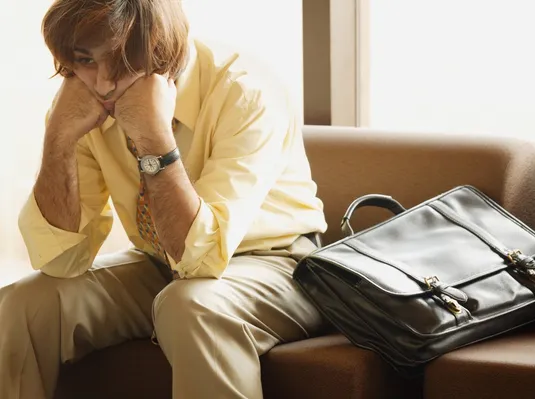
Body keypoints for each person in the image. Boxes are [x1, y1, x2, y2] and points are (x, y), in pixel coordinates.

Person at [0, 0, 328, 398]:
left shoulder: (246, 91)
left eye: (120, 63)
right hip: (162, 263)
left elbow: (200, 262)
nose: (103, 84)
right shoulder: (87, 96)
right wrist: (60, 137)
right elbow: (59, 259)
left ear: (160, 50)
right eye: (85, 60)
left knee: (191, 305)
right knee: (23, 303)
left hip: (278, 265)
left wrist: (153, 137)